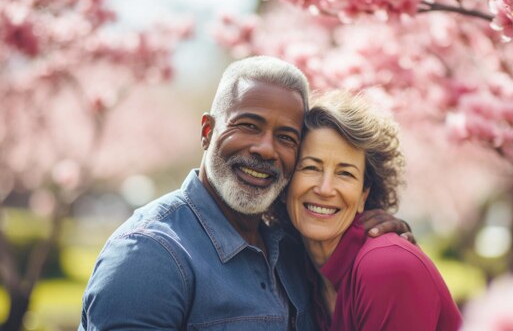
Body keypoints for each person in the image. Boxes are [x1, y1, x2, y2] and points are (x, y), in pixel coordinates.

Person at [79, 56, 413, 330]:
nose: (266, 149)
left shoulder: (293, 247)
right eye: (249, 126)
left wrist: (375, 235)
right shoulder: (152, 253)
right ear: (208, 131)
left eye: (286, 137)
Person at [284, 91, 462, 331]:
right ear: (286, 181)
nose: (325, 189)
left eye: (345, 173)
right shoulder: (299, 270)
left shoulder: (384, 266)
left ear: (363, 195)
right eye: (310, 167)